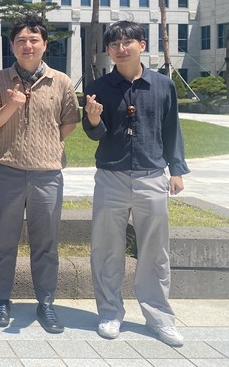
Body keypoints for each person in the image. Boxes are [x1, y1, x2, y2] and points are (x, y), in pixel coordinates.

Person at [83, 20, 189, 347]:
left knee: (156, 252)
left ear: (142, 45)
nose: (120, 48)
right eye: (114, 44)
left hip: (151, 175)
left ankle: (159, 317)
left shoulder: (162, 85)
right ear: (108, 50)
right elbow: (95, 134)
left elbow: (171, 128)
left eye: (127, 42)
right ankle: (110, 312)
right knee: (106, 249)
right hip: (111, 176)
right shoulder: (99, 86)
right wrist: (94, 118)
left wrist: (176, 170)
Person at [0, 12, 80, 334]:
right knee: (3, 240)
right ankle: (1, 299)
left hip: (47, 174)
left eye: (33, 40)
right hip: (8, 170)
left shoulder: (61, 81)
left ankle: (46, 303)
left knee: (46, 243)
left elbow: (69, 123)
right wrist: (12, 104)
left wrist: (47, 144)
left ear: (44, 45)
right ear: (12, 45)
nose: (27, 45)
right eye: (21, 40)